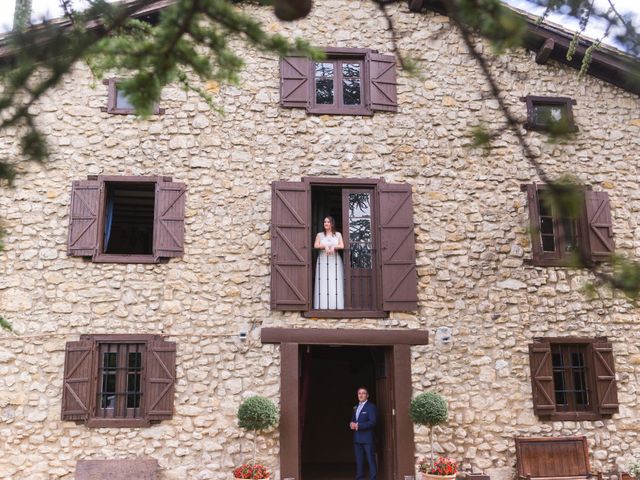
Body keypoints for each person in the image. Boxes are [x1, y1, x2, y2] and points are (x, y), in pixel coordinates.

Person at [313, 216, 344, 309]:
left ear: (332, 224)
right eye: (324, 222)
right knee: (323, 280)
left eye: (328, 222)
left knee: (335, 280)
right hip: (323, 260)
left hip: (334, 260)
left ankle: (336, 305)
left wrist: (334, 247)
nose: (326, 223)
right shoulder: (320, 235)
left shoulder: (338, 234)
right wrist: (325, 246)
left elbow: (342, 246)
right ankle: (322, 305)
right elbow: (315, 245)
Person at [350, 387, 377, 480]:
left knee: (370, 460)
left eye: (363, 393)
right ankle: (359, 478)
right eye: (359, 393)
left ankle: (373, 478)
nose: (361, 395)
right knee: (359, 461)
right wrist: (351, 424)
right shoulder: (355, 407)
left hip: (367, 439)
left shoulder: (371, 407)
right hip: (357, 438)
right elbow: (354, 420)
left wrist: (359, 426)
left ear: (367, 395)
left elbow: (373, 422)